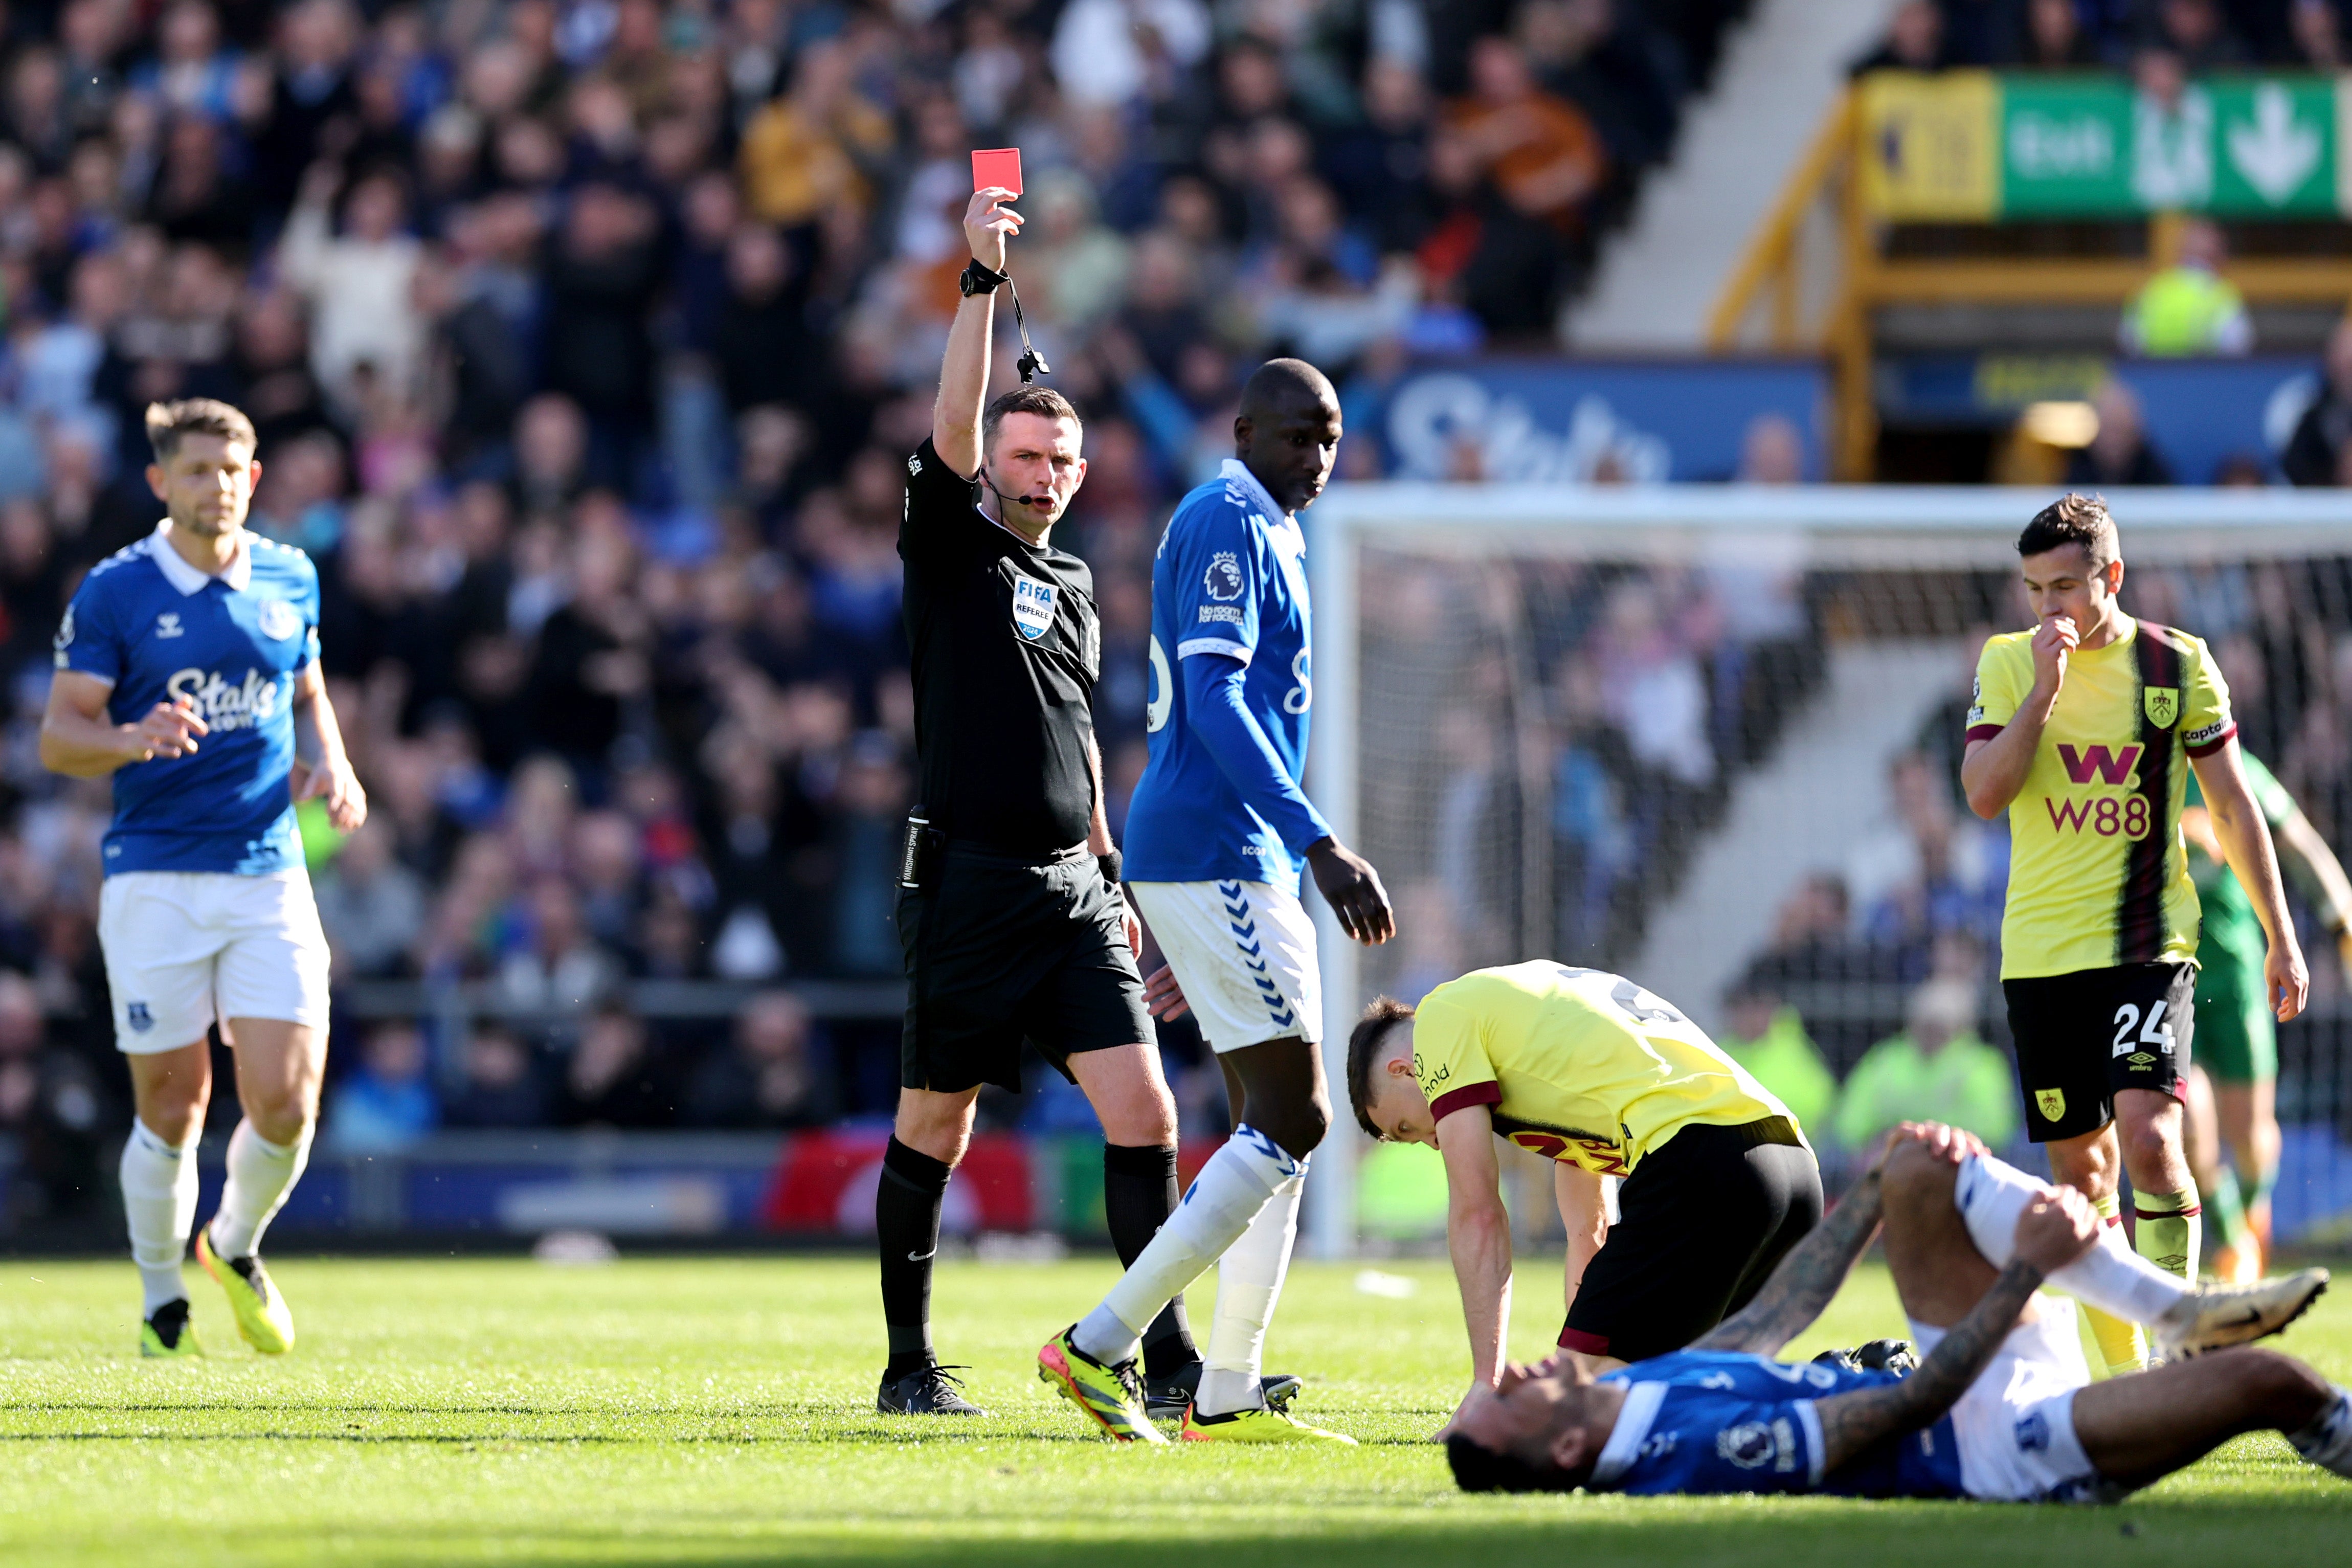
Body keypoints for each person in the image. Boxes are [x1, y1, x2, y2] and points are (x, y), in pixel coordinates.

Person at [882, 185, 1234, 1419]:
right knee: (940, 1126)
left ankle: (1169, 1356)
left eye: (1058, 459)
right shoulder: (950, 543)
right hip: (968, 878)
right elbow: (952, 425)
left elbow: (1079, 738)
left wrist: (1113, 870)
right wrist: (981, 280)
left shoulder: (1079, 579)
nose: (1040, 474)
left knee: (1144, 1113)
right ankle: (909, 1366)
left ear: (1083, 473)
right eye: (1022, 456)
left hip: (1074, 889)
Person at [1036, 354, 1395, 1445]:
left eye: (1329, 436)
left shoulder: (1275, 527)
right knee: (1297, 1113)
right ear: (1241, 431)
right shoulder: (1226, 516)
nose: (1316, 456)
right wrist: (1316, 841)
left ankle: (1227, 1387)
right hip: (1221, 849)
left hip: (1231, 862)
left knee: (1274, 1125)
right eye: (1296, 435)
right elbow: (1215, 696)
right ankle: (1098, 1347)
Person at [1444, 1123, 2339, 1500]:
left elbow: (1769, 1318)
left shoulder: (1636, 1392)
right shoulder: (1686, 1452)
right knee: (2269, 1381)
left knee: (1914, 1164)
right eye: (1508, 1397)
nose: (1515, 1371)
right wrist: (2022, 1273)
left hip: (1966, 1383)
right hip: (1992, 1451)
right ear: (1564, 1449)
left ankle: (2173, 1313)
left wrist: (1868, 1193)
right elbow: (1906, 1407)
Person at [40, 398, 367, 1358]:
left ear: (253, 478)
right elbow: (60, 738)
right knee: (173, 1110)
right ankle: (158, 1298)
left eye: (231, 470)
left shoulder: (289, 575)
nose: (215, 486)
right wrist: (127, 738)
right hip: (155, 881)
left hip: (269, 872)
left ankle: (234, 1244)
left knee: (287, 1102)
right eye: (195, 471)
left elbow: (305, 685)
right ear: (159, 483)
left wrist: (334, 763)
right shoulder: (116, 592)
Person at [1961, 492, 2307, 1376]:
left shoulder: (2174, 664)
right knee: (2081, 1181)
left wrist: (2280, 933)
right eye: (2034, 589)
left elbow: (2232, 805)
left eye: (2066, 587)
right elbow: (1983, 792)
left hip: (2146, 945)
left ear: (2109, 577)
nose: (2049, 608)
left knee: (2150, 1139)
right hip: (2039, 959)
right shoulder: (2005, 665)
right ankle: (2123, 1382)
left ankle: (2173, 1347)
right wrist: (2044, 689)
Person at [1346, 963, 1823, 1433]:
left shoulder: (1440, 1020)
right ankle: (1862, 1381)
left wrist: (1485, 1385)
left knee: (1565, 1411)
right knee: (1687, 1400)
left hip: (1705, 1165)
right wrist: (1590, 1332)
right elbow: (1588, 1231)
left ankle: (1865, 1387)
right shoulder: (1535, 1032)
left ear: (1405, 1070)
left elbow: (1479, 1214)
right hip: (1793, 1177)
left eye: (1404, 1128)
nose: (1428, 1142)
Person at [2179, 749, 2352, 1279]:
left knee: (2252, 1136)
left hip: (2236, 976)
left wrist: (2341, 921)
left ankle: (2253, 1209)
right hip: (2166, 972)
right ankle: (2233, 1241)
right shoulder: (2125, 769)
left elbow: (2297, 841)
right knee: (2186, 1119)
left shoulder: (2231, 767)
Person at [1832, 977, 2018, 1155]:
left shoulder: (1982, 1064)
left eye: (1939, 1025)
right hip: (1891, 1158)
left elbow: (1995, 1131)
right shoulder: (1886, 1058)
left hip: (1956, 1161)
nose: (1929, 1033)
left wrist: (1931, 1140)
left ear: (1960, 1027)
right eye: (1924, 1023)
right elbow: (1850, 1125)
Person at [1715, 978, 1836, 1136]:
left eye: (1755, 1010)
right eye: (1740, 1011)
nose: (1748, 1018)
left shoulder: (1790, 1048)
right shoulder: (1723, 1049)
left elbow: (1819, 1102)